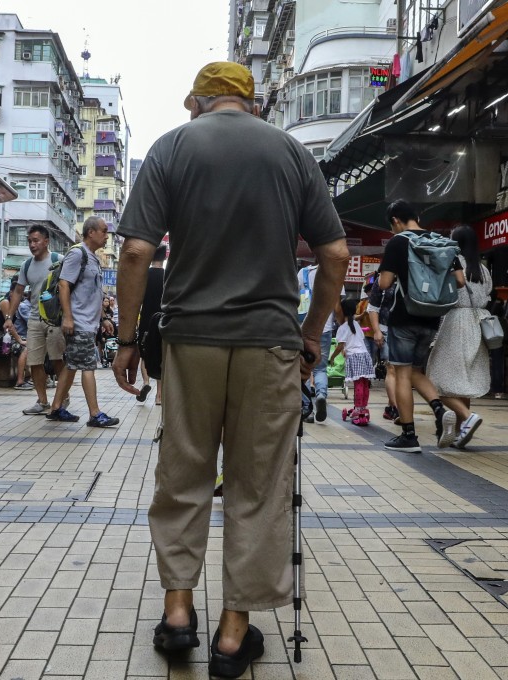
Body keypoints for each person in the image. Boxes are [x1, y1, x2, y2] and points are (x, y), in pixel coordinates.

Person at [111, 61, 349, 678]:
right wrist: (312, 334)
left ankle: (178, 615)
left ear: (196, 101)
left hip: (189, 340)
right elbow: (336, 253)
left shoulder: (171, 147)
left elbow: (137, 248)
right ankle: (232, 635)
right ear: (254, 104)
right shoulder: (292, 153)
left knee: (183, 472)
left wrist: (129, 338)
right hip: (271, 345)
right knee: (258, 486)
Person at [376, 199, 465, 454]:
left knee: (402, 373)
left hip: (404, 315)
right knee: (416, 370)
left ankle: (408, 435)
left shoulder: (398, 241)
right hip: (432, 317)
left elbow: (384, 283)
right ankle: (439, 409)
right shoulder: (440, 240)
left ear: (395, 220)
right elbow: (459, 280)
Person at [44, 217, 119, 426]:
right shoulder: (78, 254)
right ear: (91, 232)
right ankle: (95, 414)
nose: (106, 236)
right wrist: (68, 317)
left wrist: (103, 318)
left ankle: (56, 408)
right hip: (78, 323)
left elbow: (92, 293)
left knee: (72, 365)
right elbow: (63, 285)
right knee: (88, 366)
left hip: (87, 322)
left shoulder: (92, 258)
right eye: (104, 231)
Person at [425, 225, 490, 449]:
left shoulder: (454, 264)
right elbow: (487, 295)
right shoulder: (483, 269)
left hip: (456, 322)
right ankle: (464, 428)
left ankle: (466, 415)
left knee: (436, 378)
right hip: (479, 323)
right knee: (465, 379)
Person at [4, 224, 66, 415]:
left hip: (55, 319)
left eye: (36, 240)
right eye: (30, 241)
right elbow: (18, 291)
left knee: (57, 359)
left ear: (46, 241)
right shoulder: (26, 265)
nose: (32, 244)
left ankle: (63, 398)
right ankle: (42, 401)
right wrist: (9, 317)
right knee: (34, 361)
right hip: (34, 319)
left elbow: (69, 288)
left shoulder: (59, 261)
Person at [297, 263, 343, 423]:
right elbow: (337, 306)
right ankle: (321, 395)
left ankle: (306, 408)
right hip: (325, 326)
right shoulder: (334, 270)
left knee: (303, 366)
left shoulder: (302, 273)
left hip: (303, 326)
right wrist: (343, 323)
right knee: (320, 368)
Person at [330, 298, 376, 426]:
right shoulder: (356, 324)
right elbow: (358, 339)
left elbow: (340, 346)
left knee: (358, 385)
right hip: (364, 356)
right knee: (364, 383)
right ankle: (363, 408)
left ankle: (357, 408)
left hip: (355, 357)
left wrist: (332, 357)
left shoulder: (343, 328)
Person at [137, 244, 166, 404]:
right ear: (164, 258)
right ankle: (159, 396)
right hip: (162, 319)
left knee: (144, 354)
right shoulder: (167, 275)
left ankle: (146, 383)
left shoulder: (144, 275)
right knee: (159, 355)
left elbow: (138, 299)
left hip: (146, 318)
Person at [367, 277, 399, 422]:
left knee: (403, 371)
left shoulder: (414, 274)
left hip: (408, 331)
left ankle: (390, 407)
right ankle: (397, 408)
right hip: (386, 329)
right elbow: (372, 307)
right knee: (391, 368)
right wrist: (377, 330)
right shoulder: (383, 280)